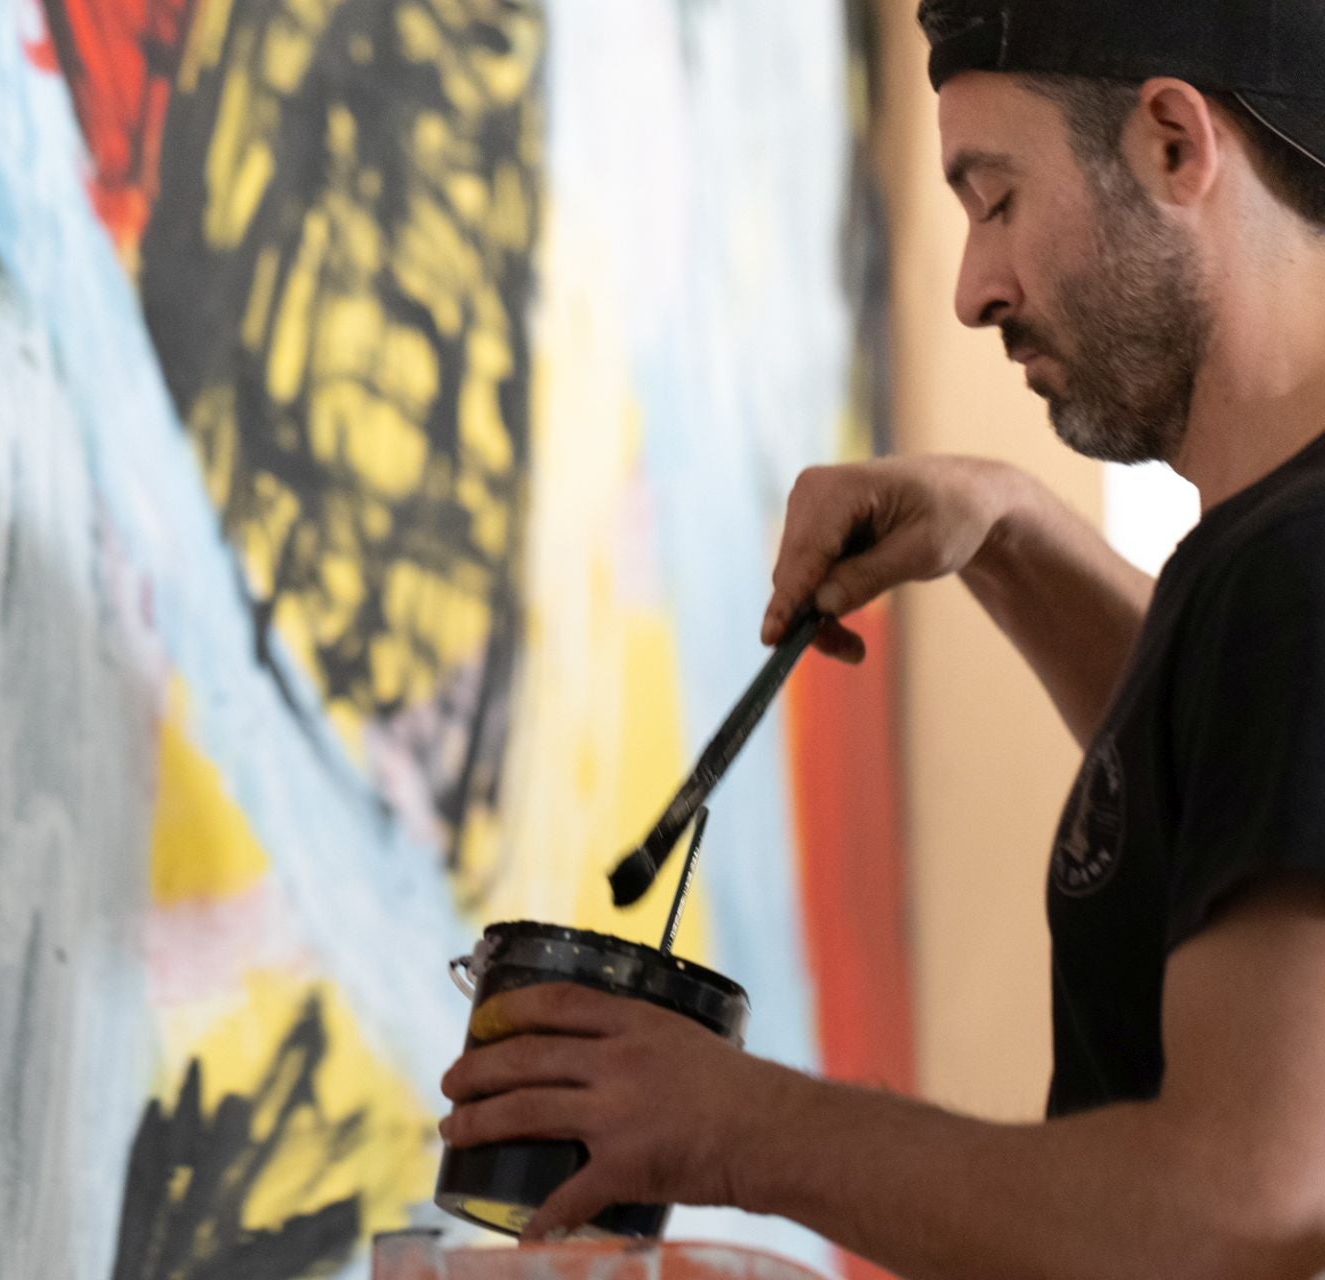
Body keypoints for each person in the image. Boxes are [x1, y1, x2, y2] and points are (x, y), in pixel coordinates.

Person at [438, 2, 1325, 1275]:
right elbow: (1234, 767)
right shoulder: (1262, 569)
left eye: (997, 197)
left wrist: (740, 1125)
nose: (974, 289)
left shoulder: (1298, 568)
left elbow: (1245, 1211)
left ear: (1176, 146)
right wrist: (1010, 528)